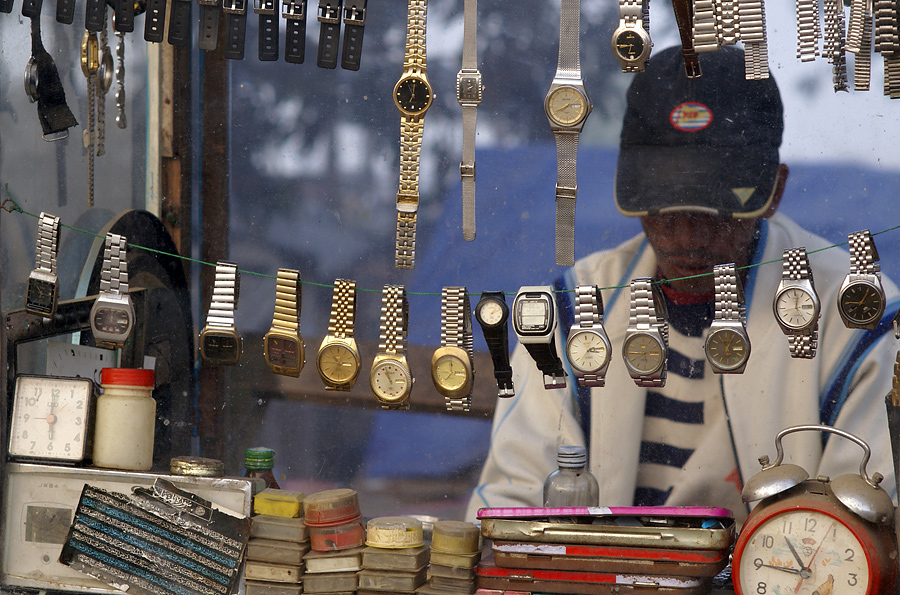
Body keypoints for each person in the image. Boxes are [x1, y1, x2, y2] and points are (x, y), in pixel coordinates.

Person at [465, 45, 900, 524]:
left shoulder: (858, 318)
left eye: (715, 209)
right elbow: (510, 505)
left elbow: (862, 528)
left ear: (773, 192)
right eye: (666, 206)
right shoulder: (568, 310)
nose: (688, 235)